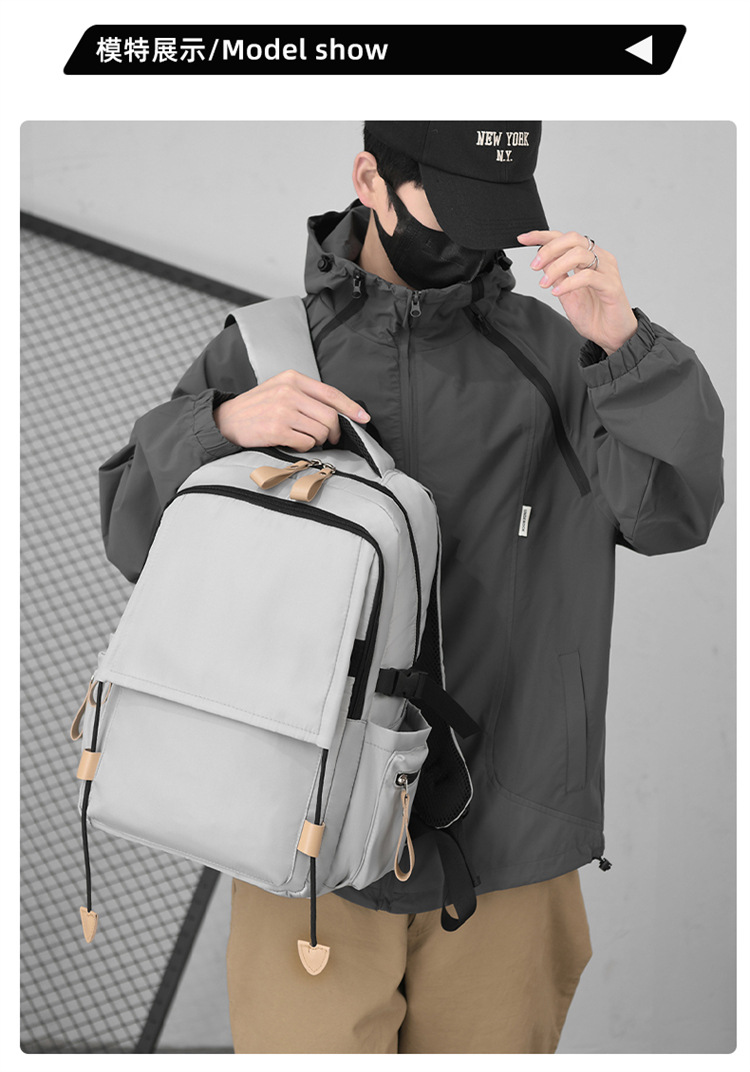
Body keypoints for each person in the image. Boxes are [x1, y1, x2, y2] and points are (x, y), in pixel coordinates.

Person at [98, 121, 725, 1054]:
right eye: (454, 207)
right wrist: (219, 427)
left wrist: (626, 347)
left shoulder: (560, 358)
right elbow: (135, 537)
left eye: (496, 215)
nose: (476, 241)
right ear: (370, 179)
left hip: (508, 841)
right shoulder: (268, 352)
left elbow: (673, 513)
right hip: (302, 831)